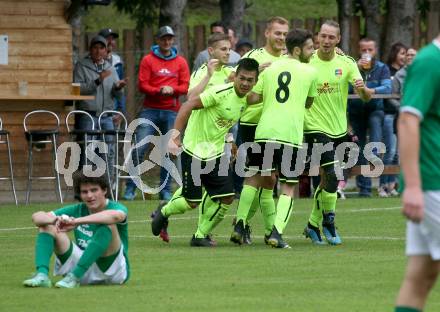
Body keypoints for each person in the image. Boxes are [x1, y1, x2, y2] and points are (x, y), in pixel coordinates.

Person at [151, 58, 259, 247]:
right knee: (191, 201)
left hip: (216, 154)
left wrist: (230, 140)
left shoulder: (244, 100)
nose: (245, 83)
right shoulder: (219, 93)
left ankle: (200, 235)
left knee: (227, 197)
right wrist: (175, 137)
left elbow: (222, 121)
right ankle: (164, 211)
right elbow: (187, 105)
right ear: (235, 77)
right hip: (194, 150)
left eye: (250, 80)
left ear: (255, 82)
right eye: (242, 78)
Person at [231, 28, 317, 248]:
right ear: (297, 50)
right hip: (290, 134)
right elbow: (309, 103)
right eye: (309, 47)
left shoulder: (268, 69)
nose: (313, 50)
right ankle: (276, 233)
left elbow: (253, 97)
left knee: (253, 177)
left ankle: (240, 225)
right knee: (288, 185)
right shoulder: (309, 72)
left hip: (265, 131)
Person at [303, 20, 371, 245]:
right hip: (313, 127)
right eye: (323, 36)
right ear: (317, 37)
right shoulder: (306, 61)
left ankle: (313, 224)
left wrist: (364, 92)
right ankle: (329, 222)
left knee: (327, 179)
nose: (326, 41)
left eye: (331, 37)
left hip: (339, 129)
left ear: (338, 40)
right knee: (331, 174)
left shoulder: (347, 62)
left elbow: (363, 94)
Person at [232, 16, 289, 245]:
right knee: (257, 176)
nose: (281, 38)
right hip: (251, 124)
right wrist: (258, 75)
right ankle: (255, 227)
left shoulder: (288, 60)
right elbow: (233, 81)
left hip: (276, 126)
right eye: (277, 33)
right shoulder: (254, 57)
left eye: (284, 34)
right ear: (267, 33)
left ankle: (249, 226)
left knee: (268, 179)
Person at [394, 34, 440, 312]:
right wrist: (412, 187)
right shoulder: (430, 61)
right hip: (432, 183)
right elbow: (408, 119)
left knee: (421, 276)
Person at [22, 170, 129, 288]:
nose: (89, 196)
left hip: (111, 271)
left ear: (104, 190)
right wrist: (54, 220)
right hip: (83, 264)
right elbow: (37, 217)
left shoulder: (116, 207)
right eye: (84, 192)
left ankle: (74, 277)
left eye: (94, 190)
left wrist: (76, 221)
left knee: (108, 224)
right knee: (47, 225)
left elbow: (115, 216)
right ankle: (42, 275)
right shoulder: (78, 209)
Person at [123, 26, 190, 201]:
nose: (167, 42)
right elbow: (142, 85)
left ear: (173, 40)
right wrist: (159, 90)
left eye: (170, 39)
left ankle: (165, 190)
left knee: (169, 150)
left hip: (172, 111)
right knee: (140, 148)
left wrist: (172, 89)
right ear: (158, 40)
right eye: (163, 39)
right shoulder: (148, 60)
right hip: (150, 110)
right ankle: (130, 188)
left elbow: (185, 86)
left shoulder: (181, 62)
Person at [73, 35, 127, 191]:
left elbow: (117, 95)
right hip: (88, 115)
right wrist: (97, 81)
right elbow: (77, 89)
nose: (98, 51)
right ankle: (85, 189)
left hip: (106, 116)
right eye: (95, 47)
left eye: (101, 48)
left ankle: (107, 189)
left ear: (105, 51)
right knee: (87, 153)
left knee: (108, 153)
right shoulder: (81, 66)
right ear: (90, 50)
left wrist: (118, 87)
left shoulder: (110, 68)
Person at [348, 37, 391, 197]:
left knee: (373, 146)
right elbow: (345, 87)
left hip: (375, 110)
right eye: (364, 50)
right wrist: (355, 69)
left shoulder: (382, 68)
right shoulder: (352, 67)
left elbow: (388, 88)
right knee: (358, 148)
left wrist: (370, 91)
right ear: (359, 51)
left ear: (375, 51)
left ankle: (381, 183)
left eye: (370, 50)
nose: (367, 53)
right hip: (356, 111)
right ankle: (364, 189)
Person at [380, 47, 418, 197]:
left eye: (413, 55)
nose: (410, 57)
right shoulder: (398, 76)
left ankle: (396, 185)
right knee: (392, 153)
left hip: (418, 118)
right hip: (399, 117)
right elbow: (391, 97)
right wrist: (403, 107)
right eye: (408, 55)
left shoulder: (422, 75)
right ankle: (384, 185)